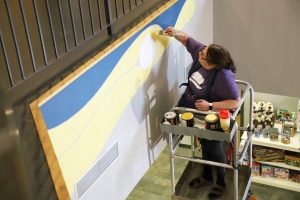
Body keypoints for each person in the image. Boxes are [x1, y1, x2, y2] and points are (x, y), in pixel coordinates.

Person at [163, 27, 240, 200]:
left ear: (213, 64)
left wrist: (211, 106)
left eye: (203, 55)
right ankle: (206, 176)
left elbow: (235, 102)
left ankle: (220, 183)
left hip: (212, 116)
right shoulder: (204, 53)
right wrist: (174, 33)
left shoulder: (224, 76)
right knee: (204, 144)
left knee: (214, 147)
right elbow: (187, 40)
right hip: (193, 110)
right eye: (202, 51)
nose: (200, 53)